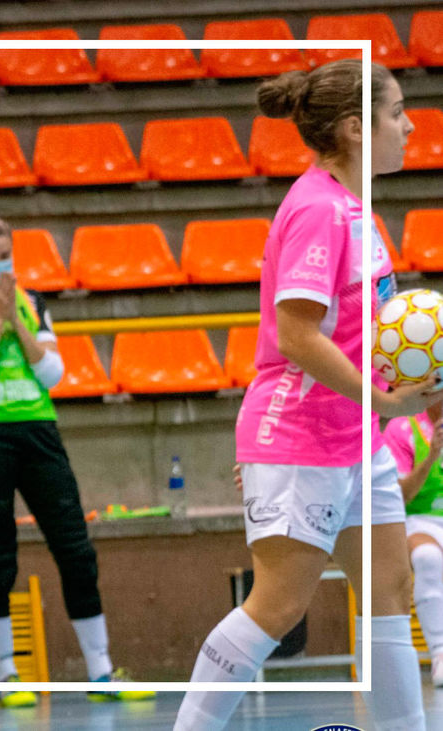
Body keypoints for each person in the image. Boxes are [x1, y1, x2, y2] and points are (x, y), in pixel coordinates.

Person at [174, 60, 428, 731]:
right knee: (279, 603)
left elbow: (360, 333)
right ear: (354, 127)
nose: (409, 125)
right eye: (397, 111)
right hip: (306, 434)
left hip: (355, 439)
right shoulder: (318, 209)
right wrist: (386, 402)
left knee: (389, 587)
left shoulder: (358, 212)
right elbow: (295, 334)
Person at [0, 212, 153, 707]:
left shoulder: (33, 303)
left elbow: (53, 372)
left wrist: (16, 319)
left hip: (38, 431)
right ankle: (8, 676)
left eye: (4, 256)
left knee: (76, 548)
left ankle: (101, 672)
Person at [383, 404, 443, 687]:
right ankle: (441, 652)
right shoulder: (401, 428)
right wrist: (432, 455)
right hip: (421, 520)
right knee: (428, 557)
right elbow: (401, 496)